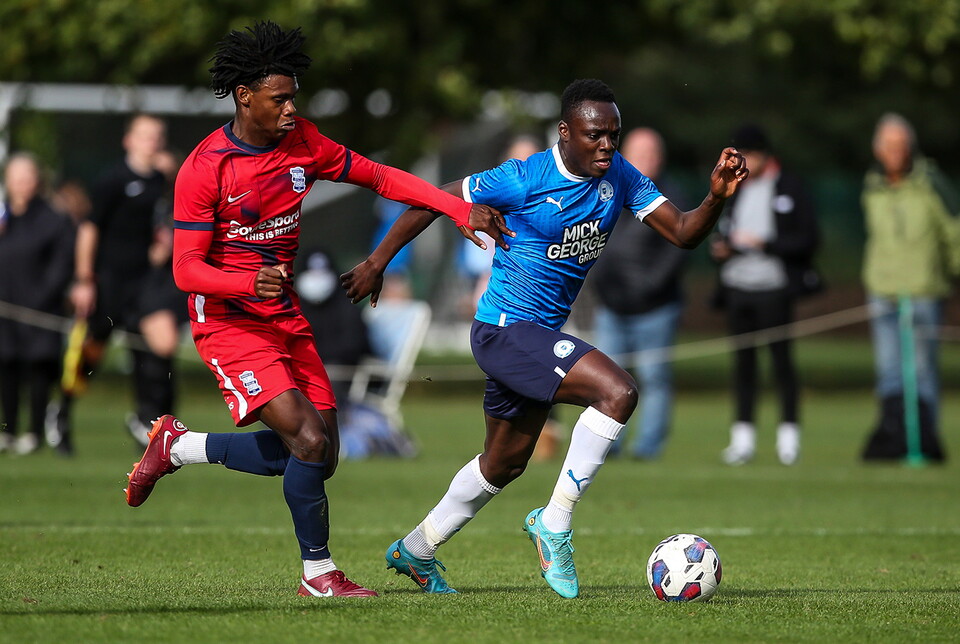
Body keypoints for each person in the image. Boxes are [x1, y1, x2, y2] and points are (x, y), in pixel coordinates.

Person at [122, 21, 509, 599]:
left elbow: (381, 177)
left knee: (320, 454)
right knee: (306, 440)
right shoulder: (207, 167)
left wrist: (456, 208)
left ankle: (177, 447)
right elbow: (186, 269)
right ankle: (319, 573)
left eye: (293, 97)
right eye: (279, 98)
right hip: (228, 323)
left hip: (284, 316)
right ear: (244, 96)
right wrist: (246, 280)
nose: (291, 108)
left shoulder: (304, 141)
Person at [342, 79, 747, 598]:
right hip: (504, 330)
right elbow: (433, 200)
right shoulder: (523, 177)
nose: (607, 145)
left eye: (613, 135)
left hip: (536, 338)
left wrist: (715, 197)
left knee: (503, 464)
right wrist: (377, 263)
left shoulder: (619, 175)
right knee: (618, 392)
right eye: (595, 135)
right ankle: (554, 523)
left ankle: (416, 548)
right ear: (565, 132)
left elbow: (685, 232)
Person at [52, 113, 184, 452]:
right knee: (91, 351)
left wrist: (163, 244)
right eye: (145, 135)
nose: (152, 141)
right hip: (110, 279)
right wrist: (84, 279)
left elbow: (167, 220)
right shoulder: (113, 180)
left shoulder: (162, 181)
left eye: (157, 135)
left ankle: (150, 421)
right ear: (129, 140)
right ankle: (62, 412)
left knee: (161, 344)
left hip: (146, 281)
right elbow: (89, 229)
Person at [710, 124, 819, 467]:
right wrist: (724, 249)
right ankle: (742, 441)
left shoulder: (789, 185)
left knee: (782, 365)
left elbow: (808, 239)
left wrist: (765, 244)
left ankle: (788, 440)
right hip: (738, 287)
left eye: (749, 155)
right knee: (744, 367)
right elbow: (723, 227)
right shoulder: (735, 186)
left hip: (774, 288)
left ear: (762, 155)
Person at [860, 113, 959, 462]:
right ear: (878, 149)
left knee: (920, 371)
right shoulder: (872, 185)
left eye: (901, 145)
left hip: (922, 289)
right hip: (881, 288)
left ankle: (924, 442)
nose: (895, 152)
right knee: (889, 372)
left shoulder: (932, 182)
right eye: (889, 146)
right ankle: (894, 439)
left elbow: (954, 232)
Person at [589, 127, 689, 460]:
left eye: (651, 153)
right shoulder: (606, 190)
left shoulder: (671, 196)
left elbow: (677, 251)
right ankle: (608, 444)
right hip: (610, 305)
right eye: (638, 153)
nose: (645, 159)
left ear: (660, 158)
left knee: (654, 378)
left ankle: (647, 448)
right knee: (606, 380)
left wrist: (648, 287)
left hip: (656, 307)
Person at [0, 153, 75, 454]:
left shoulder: (53, 219)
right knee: (6, 364)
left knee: (38, 366)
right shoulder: (3, 216)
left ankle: (34, 432)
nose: (21, 183)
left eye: (27, 177)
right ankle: (8, 430)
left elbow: (61, 264)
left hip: (40, 308)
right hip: (5, 307)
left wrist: (41, 297)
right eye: (16, 177)